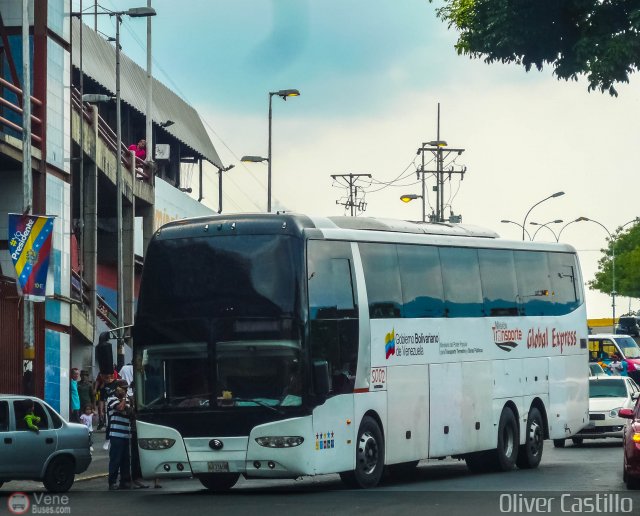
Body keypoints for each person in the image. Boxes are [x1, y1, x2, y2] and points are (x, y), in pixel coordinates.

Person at [106, 380, 133, 490]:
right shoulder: (111, 399)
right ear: (117, 388)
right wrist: (124, 399)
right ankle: (112, 482)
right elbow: (121, 408)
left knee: (126, 459)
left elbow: (131, 412)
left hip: (126, 433)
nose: (125, 390)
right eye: (123, 388)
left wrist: (127, 403)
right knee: (115, 459)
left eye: (126, 388)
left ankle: (125, 481)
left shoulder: (127, 400)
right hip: (116, 434)